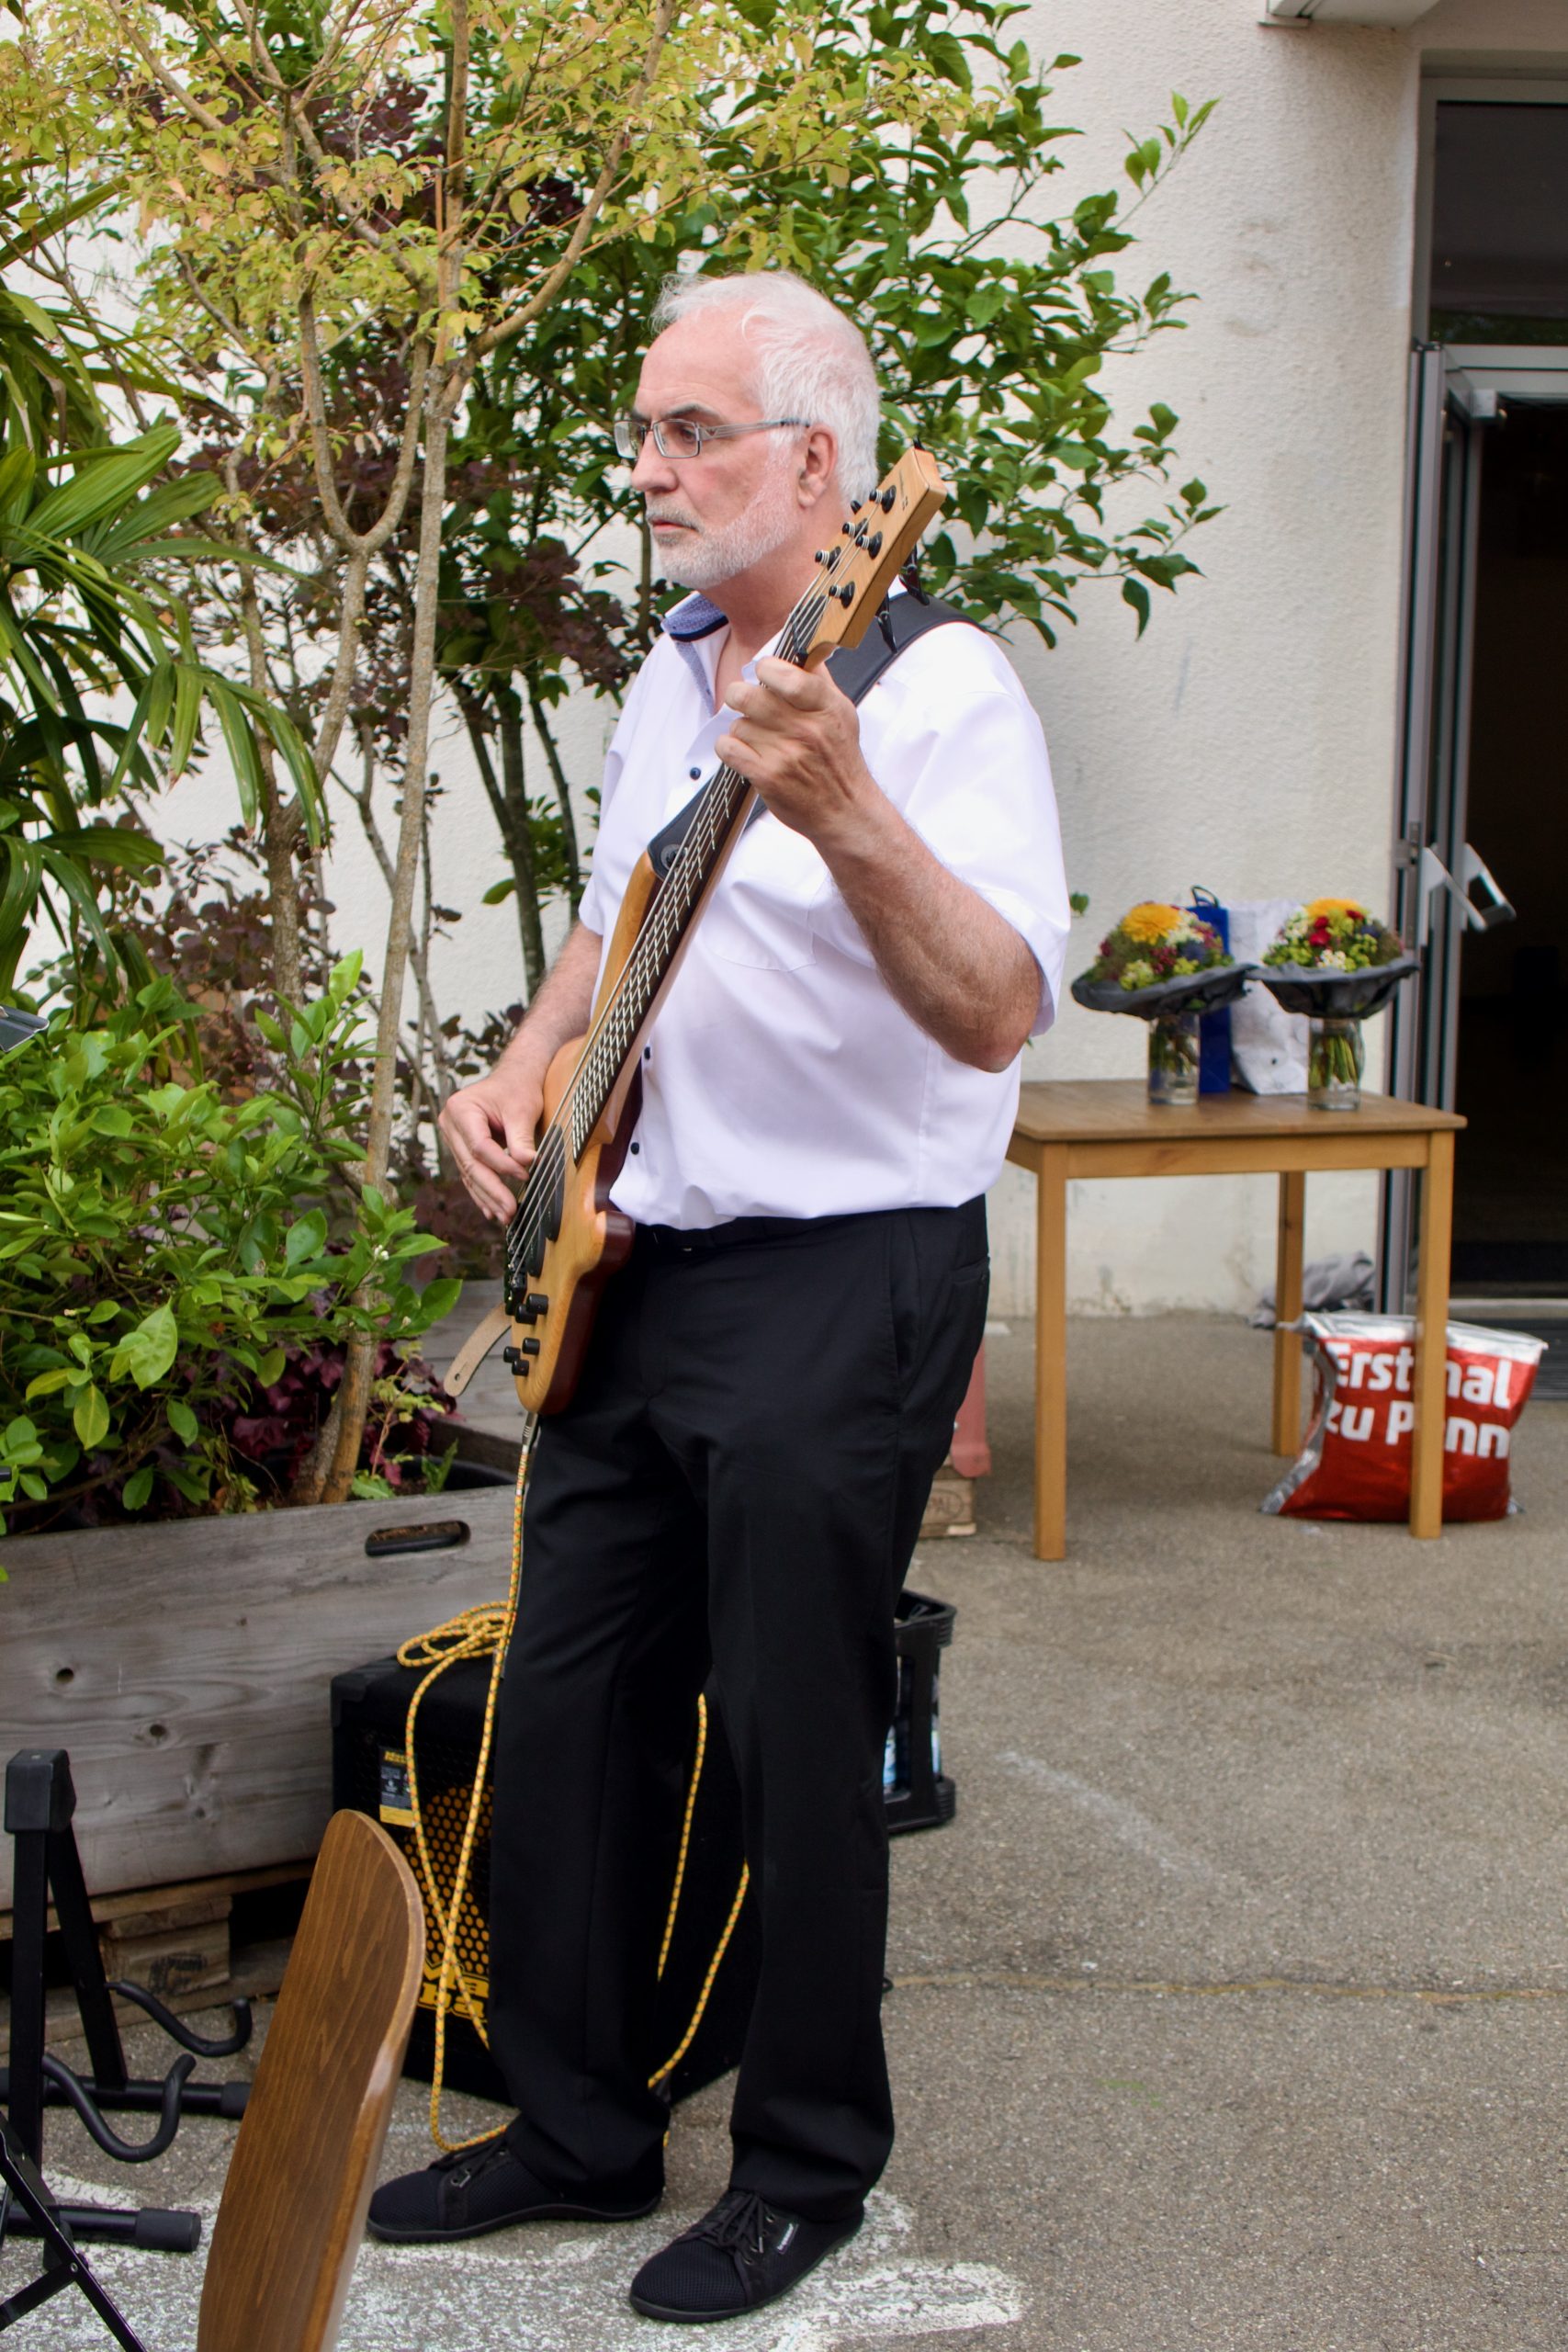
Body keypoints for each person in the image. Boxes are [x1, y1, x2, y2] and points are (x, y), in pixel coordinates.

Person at [368, 267, 1069, 2324]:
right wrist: (522, 1070)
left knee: (790, 1722)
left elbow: (996, 1008)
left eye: (693, 433)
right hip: (639, 1252)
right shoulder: (671, 673)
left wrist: (841, 803)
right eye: (646, 434)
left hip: (843, 1273)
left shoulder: (936, 690)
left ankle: (805, 2164)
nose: (652, 470)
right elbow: (621, 922)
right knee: (569, 1703)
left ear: (820, 466)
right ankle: (578, 2122)